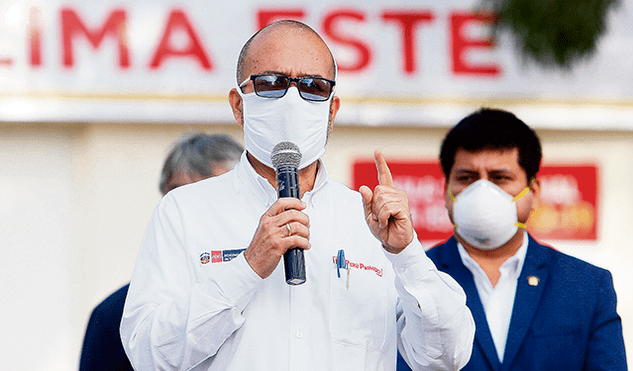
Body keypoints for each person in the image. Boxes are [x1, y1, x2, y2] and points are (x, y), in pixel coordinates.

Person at [120, 20, 474, 371]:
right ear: (238, 105)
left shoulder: (367, 222)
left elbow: (446, 357)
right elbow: (149, 355)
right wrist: (246, 269)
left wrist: (406, 254)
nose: (292, 100)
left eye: (313, 86)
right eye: (271, 83)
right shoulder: (184, 211)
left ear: (332, 110)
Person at [398, 107, 627, 370]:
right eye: (466, 178)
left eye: (500, 178)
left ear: (534, 192)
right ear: (446, 191)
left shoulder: (586, 286)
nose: (482, 191)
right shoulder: (412, 282)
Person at [79, 133, 244, 371]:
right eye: (180, 197)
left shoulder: (283, 293)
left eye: (213, 194)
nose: (194, 213)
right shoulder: (113, 316)